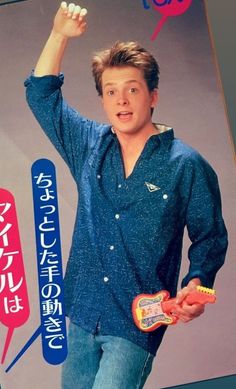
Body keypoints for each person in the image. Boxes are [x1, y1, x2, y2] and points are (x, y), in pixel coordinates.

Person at [24, 2, 228, 388]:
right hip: (81, 311)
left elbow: (210, 238)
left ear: (152, 96)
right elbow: (41, 96)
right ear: (102, 99)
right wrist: (59, 35)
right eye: (111, 91)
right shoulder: (88, 144)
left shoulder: (185, 165)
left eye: (132, 89)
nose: (121, 100)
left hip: (136, 323)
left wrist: (198, 287)